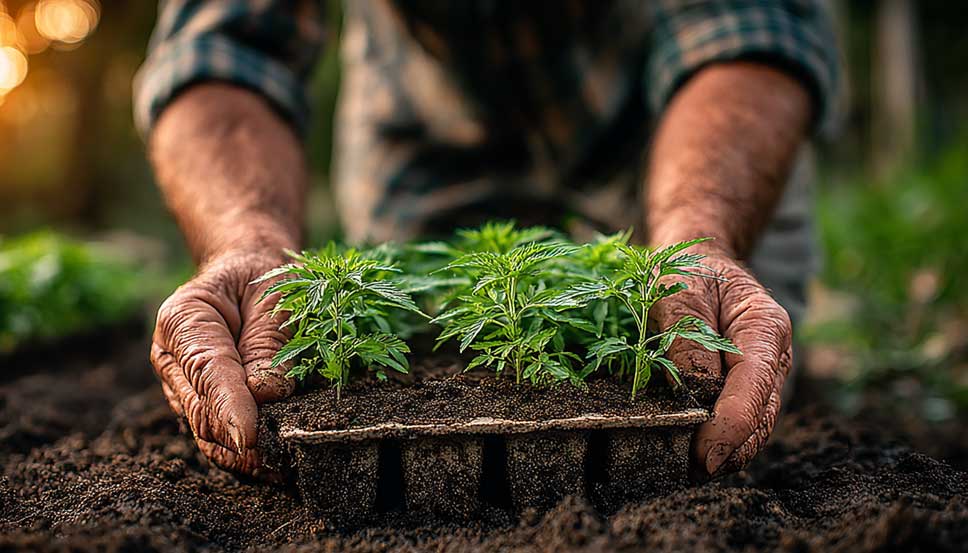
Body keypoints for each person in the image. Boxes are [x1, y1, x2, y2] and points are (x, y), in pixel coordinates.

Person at [134, 1, 840, 478]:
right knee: (411, 338)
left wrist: (700, 236)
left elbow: (751, 23)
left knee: (720, 381)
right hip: (427, 122)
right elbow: (223, 44)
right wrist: (246, 239)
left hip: (676, 121)